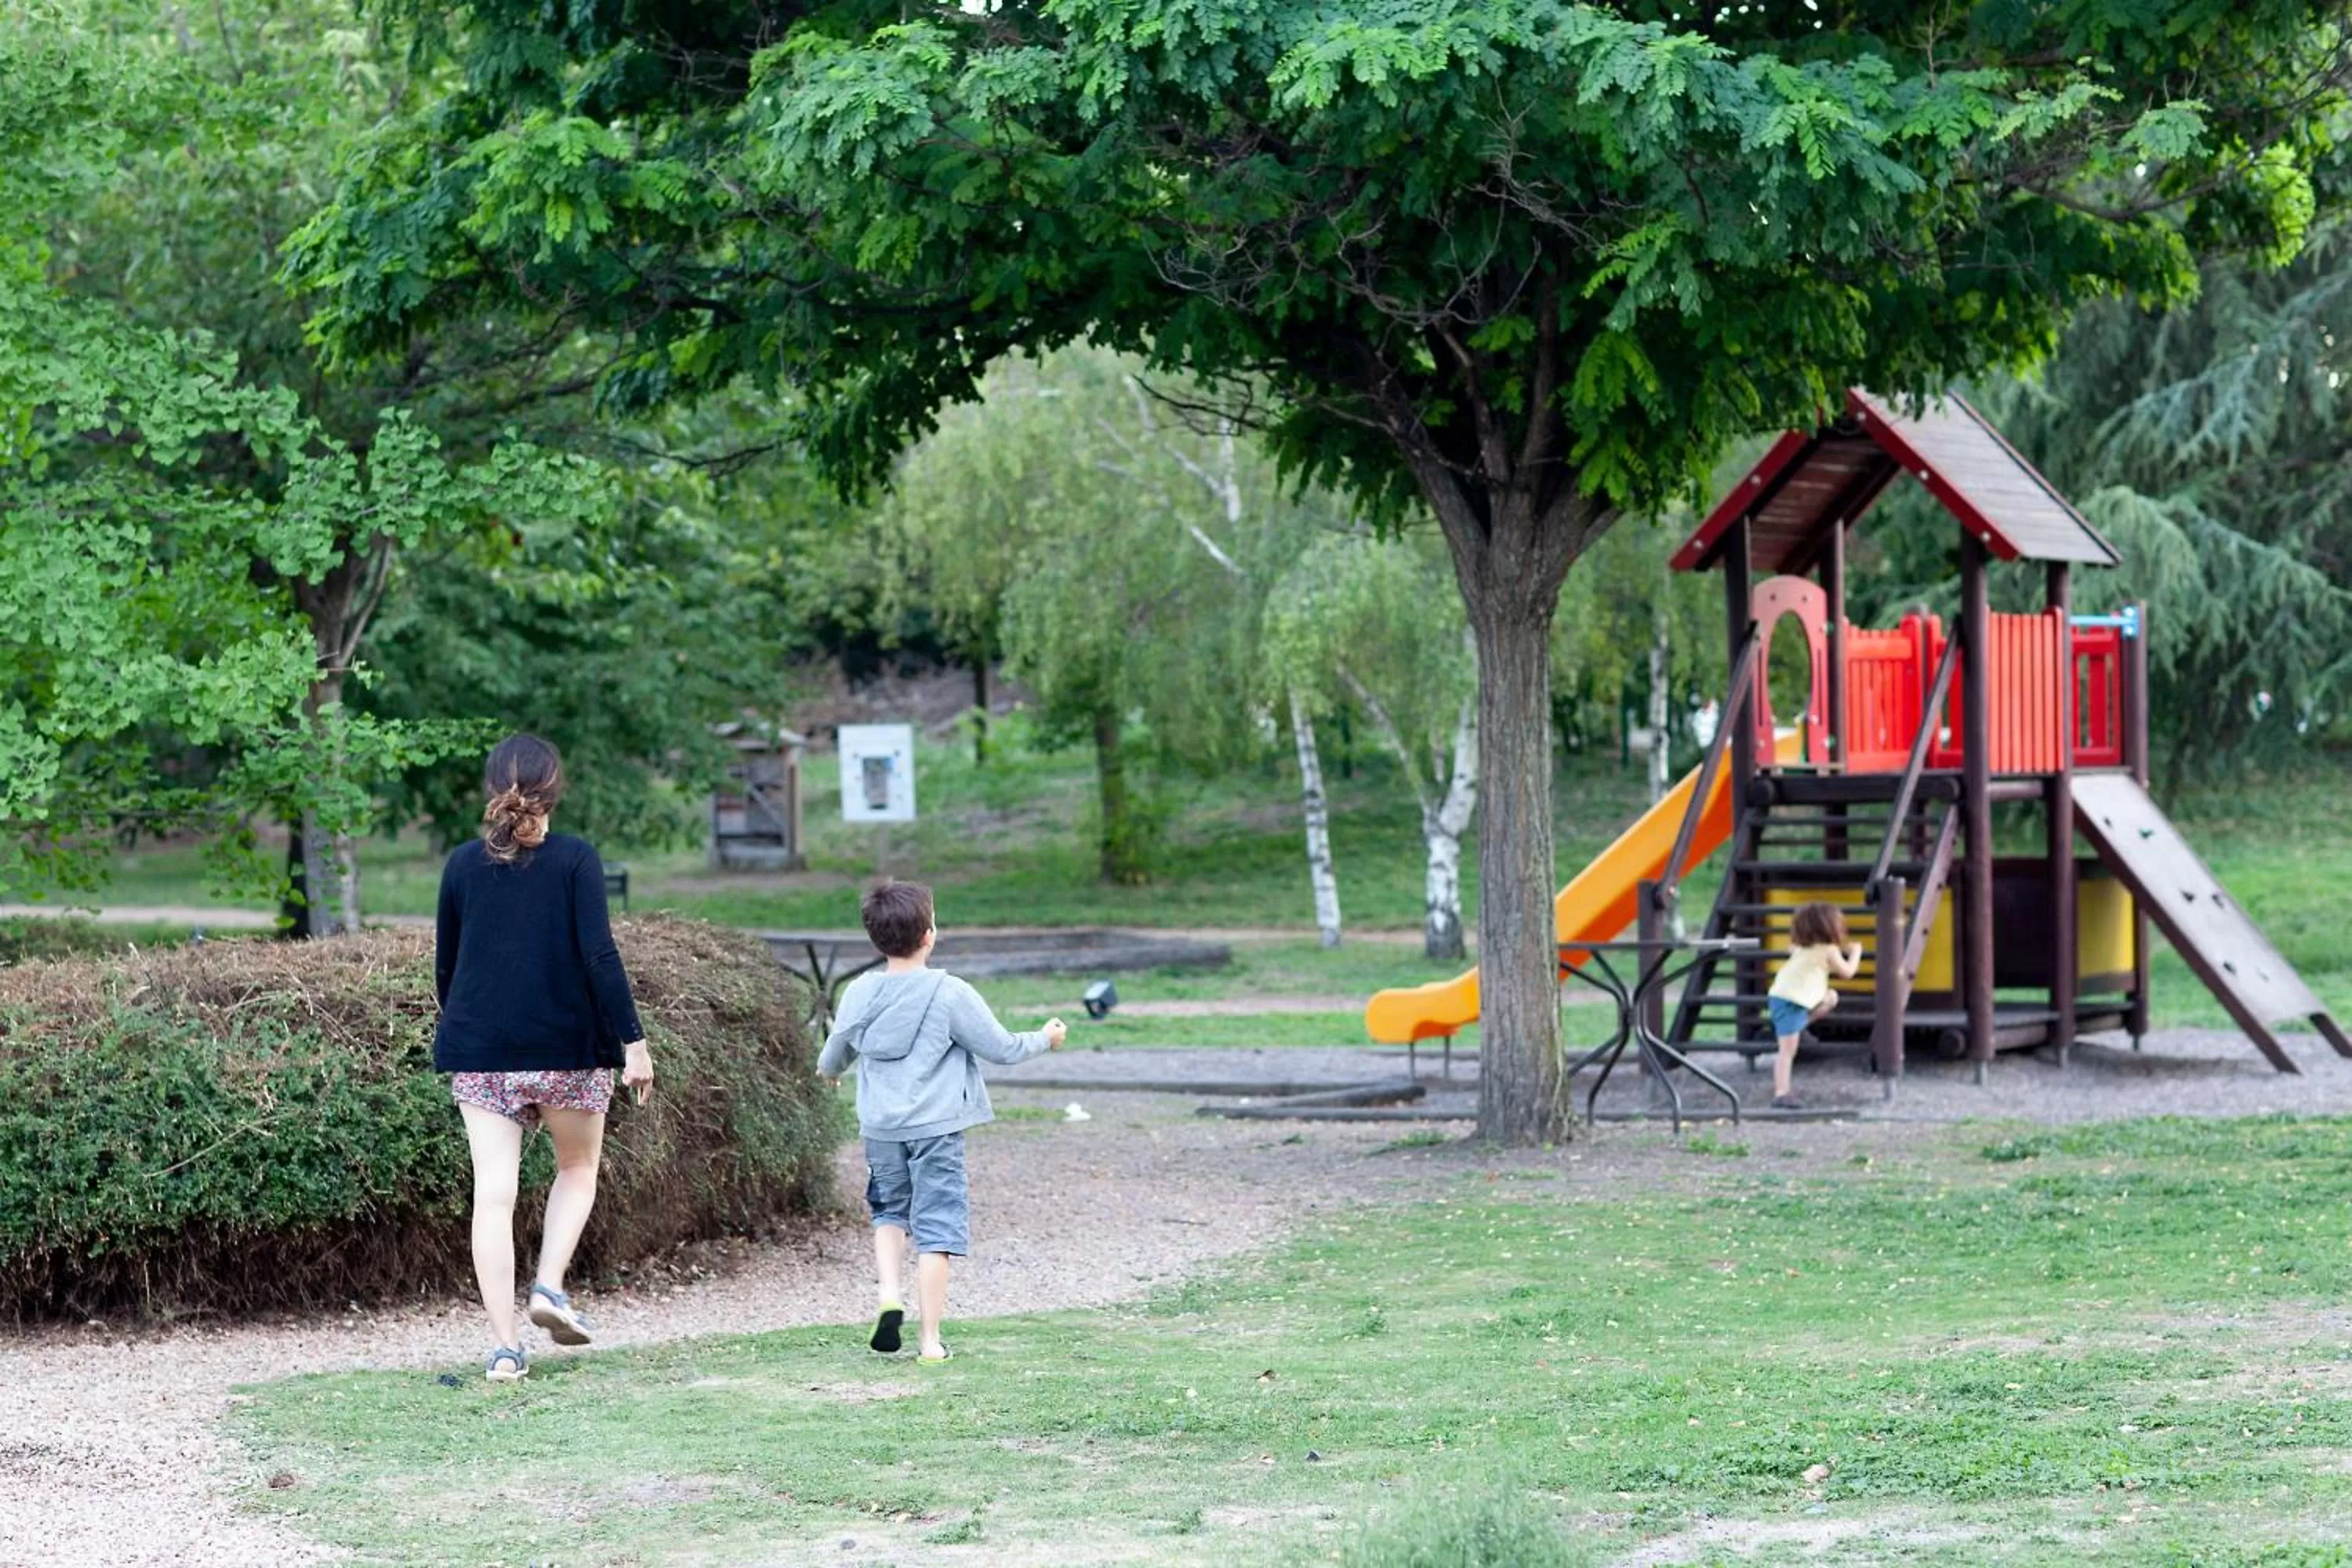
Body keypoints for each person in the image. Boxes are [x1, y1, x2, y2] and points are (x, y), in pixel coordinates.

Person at [433, 733, 655, 1382]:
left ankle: (505, 1348)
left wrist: (476, 1027)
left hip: (482, 1052)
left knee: (493, 1197)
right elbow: (599, 957)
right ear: (555, 790)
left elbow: (448, 969)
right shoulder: (576, 861)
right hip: (567, 1049)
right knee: (578, 1167)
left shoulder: (460, 865)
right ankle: (549, 1288)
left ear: (491, 790)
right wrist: (633, 1043)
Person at [817, 880, 1065, 1363]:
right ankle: (930, 1342)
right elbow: (1002, 1048)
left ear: (875, 938)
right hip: (936, 1131)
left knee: (889, 1213)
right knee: (937, 1229)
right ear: (929, 934)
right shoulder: (950, 993)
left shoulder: (859, 992)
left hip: (881, 1130)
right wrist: (1045, 1038)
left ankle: (889, 1294)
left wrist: (828, 1074)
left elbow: (835, 1052)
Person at [1766, 902, 1862, 1111]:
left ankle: (1799, 1028)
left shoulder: (1802, 947)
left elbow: (1794, 950)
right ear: (1830, 928)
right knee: (1786, 1052)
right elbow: (1847, 973)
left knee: (1830, 997)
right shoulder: (1829, 950)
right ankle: (1781, 1093)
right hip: (1790, 1001)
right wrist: (1856, 952)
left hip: (1790, 998)